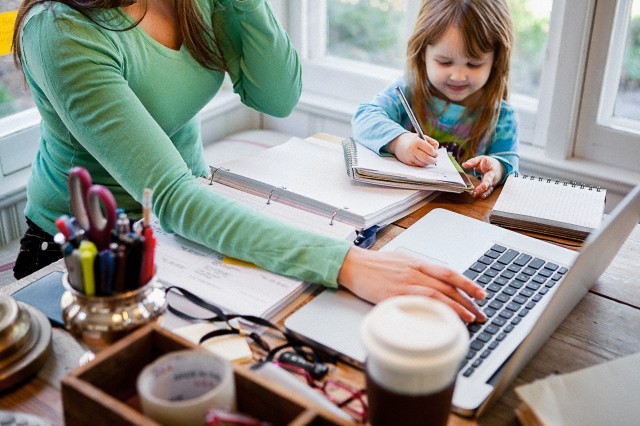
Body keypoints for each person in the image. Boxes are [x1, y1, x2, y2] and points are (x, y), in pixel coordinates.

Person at [11, 0, 486, 323]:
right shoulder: (60, 27)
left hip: (190, 223)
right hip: (88, 258)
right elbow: (172, 197)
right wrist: (346, 263)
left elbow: (276, 97)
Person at [352, 0, 518, 200]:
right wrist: (399, 142)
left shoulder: (501, 115)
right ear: (423, 54)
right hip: (399, 203)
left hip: (461, 214)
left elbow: (510, 166)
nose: (458, 76)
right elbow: (363, 117)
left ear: (496, 60)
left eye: (473, 64)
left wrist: (496, 168)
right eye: (444, 62)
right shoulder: (408, 91)